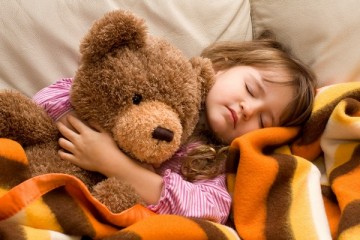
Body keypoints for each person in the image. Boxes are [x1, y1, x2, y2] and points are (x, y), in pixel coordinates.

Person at [33, 33, 317, 224]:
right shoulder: (158, 80)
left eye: (263, 121)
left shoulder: (213, 159)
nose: (248, 109)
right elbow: (53, 95)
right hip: (57, 176)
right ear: (220, 66)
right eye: (250, 89)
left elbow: (211, 208)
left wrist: (115, 164)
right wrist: (83, 132)